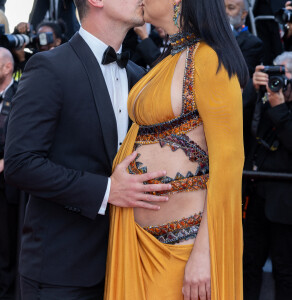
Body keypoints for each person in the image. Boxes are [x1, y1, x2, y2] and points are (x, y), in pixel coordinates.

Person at [4, 0, 171, 299]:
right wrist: (107, 190)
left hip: (128, 265)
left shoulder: (138, 75)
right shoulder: (49, 67)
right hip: (61, 270)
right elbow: (20, 163)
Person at [104, 0, 248, 299]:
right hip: (136, 239)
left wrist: (204, 255)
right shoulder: (172, 56)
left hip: (184, 249)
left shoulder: (209, 59)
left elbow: (228, 164)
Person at [243, 52, 292, 300]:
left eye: (285, 76)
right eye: (276, 74)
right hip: (256, 198)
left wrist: (280, 108)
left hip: (285, 206)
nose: (279, 82)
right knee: (249, 265)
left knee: (285, 271)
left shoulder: (278, 105)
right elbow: (235, 124)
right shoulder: (262, 99)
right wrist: (252, 91)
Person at [0, 47, 18, 300]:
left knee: (7, 244)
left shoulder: (24, 95)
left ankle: (5, 293)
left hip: (7, 184)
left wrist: (7, 159)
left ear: (7, 68)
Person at [225, 0, 264, 77]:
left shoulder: (253, 43)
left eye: (231, 8)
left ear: (243, 14)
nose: (225, 12)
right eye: (222, 8)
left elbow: (241, 75)